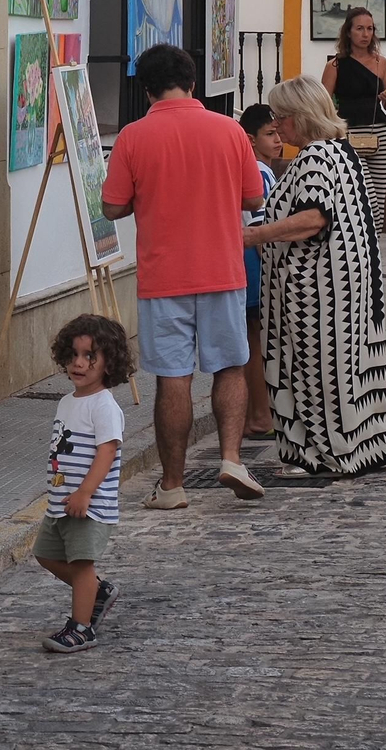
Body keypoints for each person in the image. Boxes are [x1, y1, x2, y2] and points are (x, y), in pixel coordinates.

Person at [102, 43, 266, 507]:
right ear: (193, 84)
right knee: (230, 366)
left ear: (146, 88)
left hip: (163, 276)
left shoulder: (133, 137)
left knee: (173, 377)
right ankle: (231, 457)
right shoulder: (231, 132)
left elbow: (112, 206)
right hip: (223, 270)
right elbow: (254, 200)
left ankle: (172, 486)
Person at [245, 75, 386, 477]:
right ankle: (355, 447)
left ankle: (319, 454)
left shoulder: (316, 157)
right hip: (343, 287)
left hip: (317, 293)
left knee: (313, 371)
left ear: (301, 116)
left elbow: (314, 218)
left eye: (280, 117)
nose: (277, 125)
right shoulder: (341, 152)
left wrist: (253, 235)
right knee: (344, 370)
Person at [35, 315, 133, 652]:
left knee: (80, 564)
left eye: (90, 356)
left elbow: (106, 453)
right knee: (45, 554)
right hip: (62, 501)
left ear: (109, 363)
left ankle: (82, 628)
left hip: (88, 505)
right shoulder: (67, 401)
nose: (79, 363)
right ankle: (97, 590)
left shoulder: (104, 406)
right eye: (74, 354)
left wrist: (85, 492)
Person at [322, 7, 386, 235]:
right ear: (348, 32)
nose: (366, 34)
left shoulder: (380, 62)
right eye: (360, 29)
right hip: (351, 135)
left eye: (370, 29)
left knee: (379, 196)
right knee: (366, 194)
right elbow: (323, 105)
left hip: (379, 134)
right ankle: (362, 239)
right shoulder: (335, 65)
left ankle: (374, 242)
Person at [239, 104, 283, 438]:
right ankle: (260, 414)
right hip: (254, 265)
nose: (278, 140)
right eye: (270, 134)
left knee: (253, 341)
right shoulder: (260, 173)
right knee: (257, 342)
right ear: (251, 140)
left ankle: (257, 412)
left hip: (246, 264)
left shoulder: (257, 170)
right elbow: (260, 228)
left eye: (279, 132)